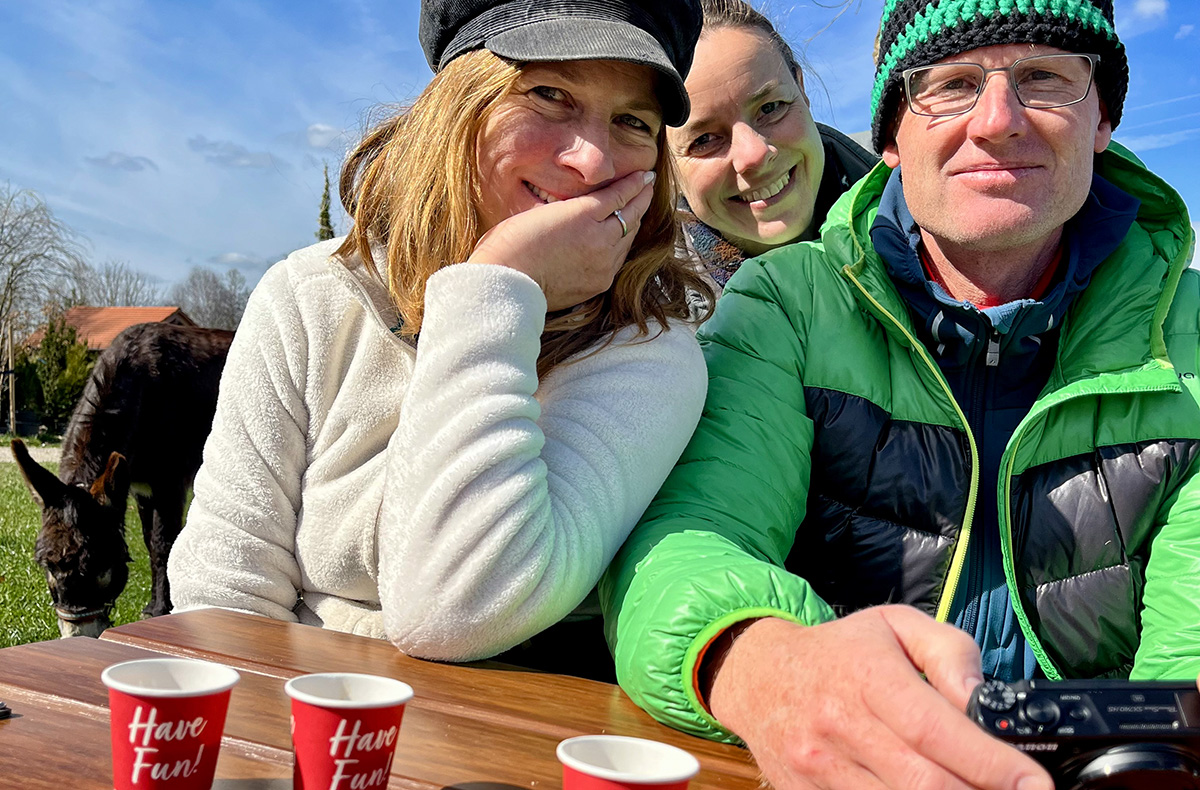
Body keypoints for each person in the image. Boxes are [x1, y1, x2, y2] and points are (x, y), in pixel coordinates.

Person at [601, 0, 1200, 787]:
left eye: (1045, 77)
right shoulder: (784, 307)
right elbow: (693, 533)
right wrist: (762, 662)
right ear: (890, 134)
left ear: (1103, 120)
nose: (998, 120)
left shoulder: (1190, 337)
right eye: (950, 84)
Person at [167, 0, 711, 672]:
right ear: (456, 107)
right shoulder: (309, 296)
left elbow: (456, 610)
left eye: (633, 122)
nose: (593, 161)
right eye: (549, 94)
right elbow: (223, 592)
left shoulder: (648, 353)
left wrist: (500, 281)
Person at [667, 0, 876, 295]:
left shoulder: (916, 206)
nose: (754, 154)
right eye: (703, 140)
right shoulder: (646, 316)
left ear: (801, 89)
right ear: (666, 167)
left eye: (771, 107)